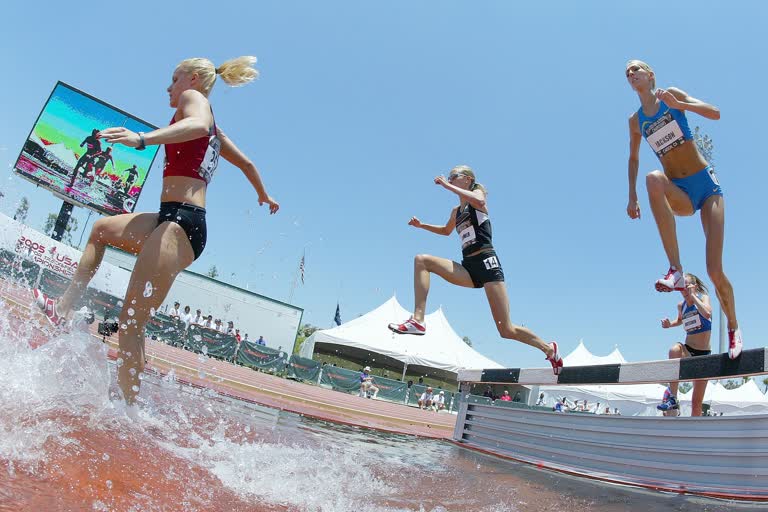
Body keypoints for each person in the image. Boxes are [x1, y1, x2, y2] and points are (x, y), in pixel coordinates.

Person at [33, 56, 279, 406]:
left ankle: (128, 410)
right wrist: (263, 194)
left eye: (174, 79)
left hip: (182, 223)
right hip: (170, 218)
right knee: (101, 229)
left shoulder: (195, 101)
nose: (169, 87)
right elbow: (248, 163)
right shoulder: (215, 131)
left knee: (131, 323)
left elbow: (195, 124)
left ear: (192, 79)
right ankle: (64, 307)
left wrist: (142, 139)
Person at [387, 166, 562, 374]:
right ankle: (418, 320)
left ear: (468, 180)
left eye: (454, 176)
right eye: (449, 176)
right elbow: (445, 231)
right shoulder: (456, 212)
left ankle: (549, 349)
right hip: (468, 267)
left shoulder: (476, 198)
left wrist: (445, 185)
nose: (450, 178)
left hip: (487, 264)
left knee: (506, 330)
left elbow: (480, 201)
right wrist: (422, 225)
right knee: (422, 261)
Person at [625, 59, 742, 359]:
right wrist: (631, 196)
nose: (631, 74)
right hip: (680, 193)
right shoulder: (635, 122)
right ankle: (675, 270)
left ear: (650, 76)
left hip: (707, 187)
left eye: (636, 69)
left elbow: (715, 113)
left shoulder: (670, 96)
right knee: (653, 179)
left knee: (714, 271)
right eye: (627, 72)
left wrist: (681, 104)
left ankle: (733, 325)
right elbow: (634, 159)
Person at [657, 273, 712, 416]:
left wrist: (693, 297)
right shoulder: (681, 305)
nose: (683, 291)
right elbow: (680, 320)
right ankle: (673, 397)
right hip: (688, 349)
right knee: (674, 349)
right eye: (681, 288)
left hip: (703, 355)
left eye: (686, 287)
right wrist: (670, 324)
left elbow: (707, 314)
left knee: (696, 403)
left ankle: (696, 433)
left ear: (695, 287)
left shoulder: (703, 297)